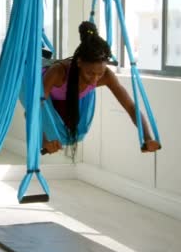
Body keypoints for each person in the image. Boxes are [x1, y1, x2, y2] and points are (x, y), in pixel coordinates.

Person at [41, 21, 160, 154]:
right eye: (90, 73)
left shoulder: (106, 76)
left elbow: (131, 108)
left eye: (100, 73)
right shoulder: (58, 73)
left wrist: (147, 137)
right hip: (44, 91)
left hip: (70, 98)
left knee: (73, 131)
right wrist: (43, 140)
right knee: (53, 129)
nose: (95, 79)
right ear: (79, 62)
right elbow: (35, 108)